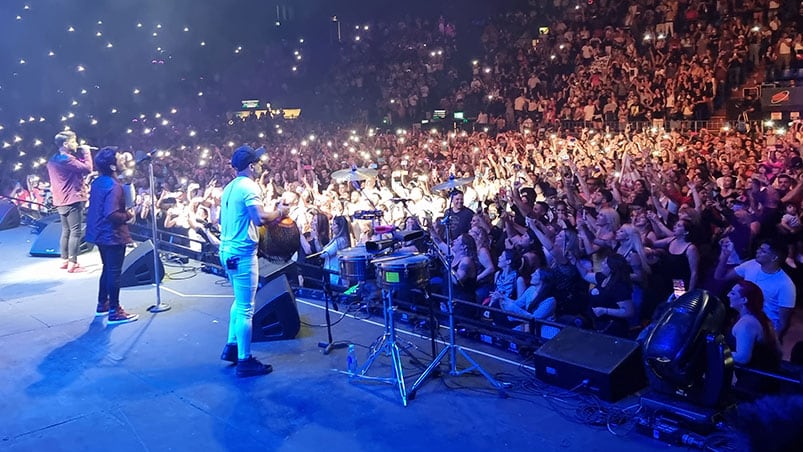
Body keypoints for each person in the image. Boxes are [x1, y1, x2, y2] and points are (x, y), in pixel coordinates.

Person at [218, 145, 287, 378]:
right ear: (250, 166)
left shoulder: (229, 188)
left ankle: (231, 346)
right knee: (247, 308)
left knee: (239, 301)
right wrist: (279, 212)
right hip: (241, 253)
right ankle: (245, 360)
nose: (260, 166)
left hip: (227, 250)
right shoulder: (249, 185)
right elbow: (259, 218)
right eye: (258, 162)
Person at [84, 148, 138, 324]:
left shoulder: (98, 182)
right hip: (112, 235)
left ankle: (103, 304)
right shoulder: (115, 187)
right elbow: (111, 213)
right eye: (120, 158)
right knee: (114, 272)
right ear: (113, 166)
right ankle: (115, 311)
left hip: (99, 233)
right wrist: (128, 216)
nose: (123, 159)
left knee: (107, 268)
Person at [716, 238, 796, 339]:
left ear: (774, 257)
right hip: (742, 321)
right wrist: (725, 255)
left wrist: (773, 343)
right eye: (759, 248)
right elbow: (720, 277)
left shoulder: (786, 285)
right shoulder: (752, 264)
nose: (757, 251)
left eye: (763, 251)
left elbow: (782, 323)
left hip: (763, 331)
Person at [46, 130, 94, 272]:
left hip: (60, 199)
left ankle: (64, 259)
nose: (77, 144)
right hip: (72, 198)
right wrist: (86, 152)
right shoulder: (67, 159)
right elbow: (88, 169)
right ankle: (73, 263)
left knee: (66, 230)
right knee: (75, 231)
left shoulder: (53, 159)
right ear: (65, 144)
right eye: (74, 141)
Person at [726, 280, 782, 394]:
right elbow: (779, 351)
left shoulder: (746, 324)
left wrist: (717, 352)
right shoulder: (762, 319)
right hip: (766, 380)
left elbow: (742, 358)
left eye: (733, 293)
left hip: (753, 386)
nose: (728, 295)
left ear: (744, 300)